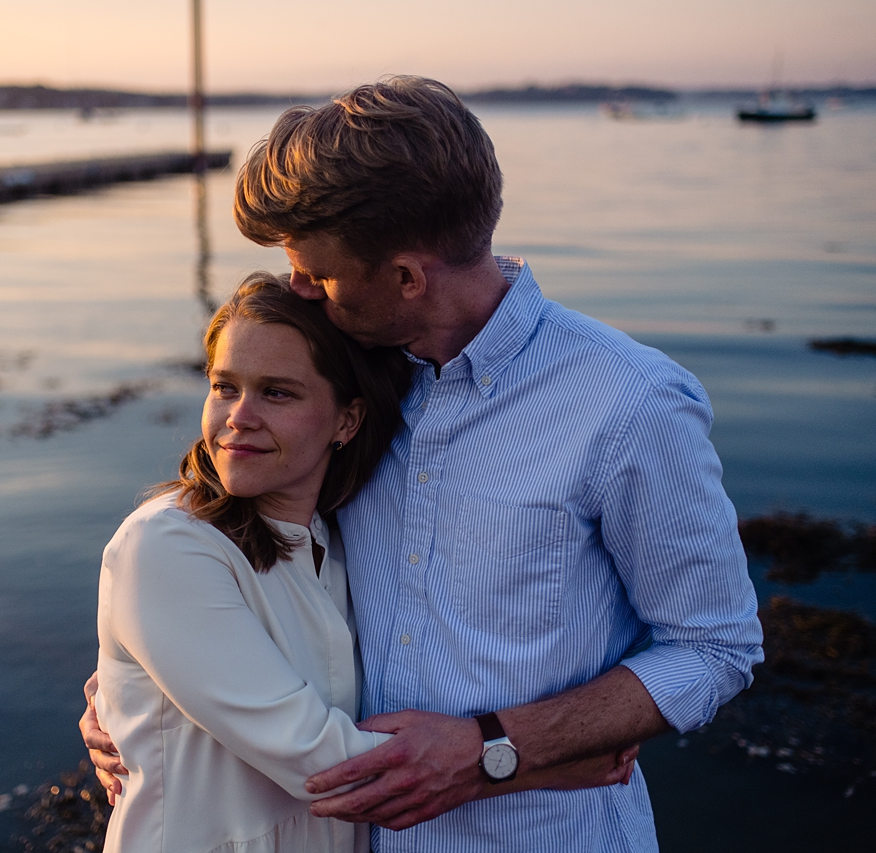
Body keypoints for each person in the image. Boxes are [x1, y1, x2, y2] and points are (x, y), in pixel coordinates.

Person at [88, 77, 763, 852]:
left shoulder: (629, 403)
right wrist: (134, 690)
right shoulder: (354, 385)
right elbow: (247, 565)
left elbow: (715, 646)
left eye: (319, 272)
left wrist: (500, 751)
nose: (299, 290)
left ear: (408, 277)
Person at [92, 272, 408, 853]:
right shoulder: (166, 545)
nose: (239, 416)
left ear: (347, 420)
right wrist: (529, 761)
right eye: (224, 386)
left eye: (277, 392)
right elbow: (315, 756)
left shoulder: (337, 544)